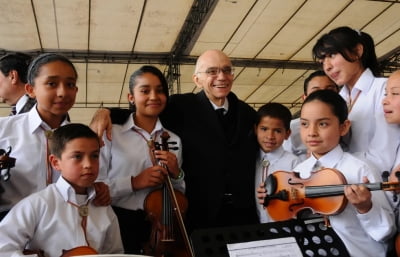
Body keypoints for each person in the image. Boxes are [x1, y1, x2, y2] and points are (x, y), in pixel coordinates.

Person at [91, 49, 259, 233]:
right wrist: (106, 112)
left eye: (227, 70)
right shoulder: (181, 106)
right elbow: (145, 109)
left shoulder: (248, 114)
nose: (221, 76)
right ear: (197, 80)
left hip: (243, 213)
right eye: (212, 71)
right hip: (198, 215)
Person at [257, 90, 395, 257]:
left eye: (322, 124)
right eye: (305, 124)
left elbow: (386, 233)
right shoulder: (299, 173)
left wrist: (365, 208)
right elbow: (292, 227)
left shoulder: (360, 169)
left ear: (344, 127)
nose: (312, 132)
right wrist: (273, 201)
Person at [0, 53, 109, 221]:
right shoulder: (4, 130)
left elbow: (93, 180)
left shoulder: (83, 139)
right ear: (31, 90)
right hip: (10, 231)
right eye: (52, 83)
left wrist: (99, 188)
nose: (62, 92)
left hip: (65, 229)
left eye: (70, 84)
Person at [0, 123, 124, 256]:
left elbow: (114, 253)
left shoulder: (104, 207)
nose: (88, 164)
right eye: (77, 156)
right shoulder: (37, 204)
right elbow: (4, 247)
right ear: (55, 162)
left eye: (94, 156)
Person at [98, 65, 185, 254]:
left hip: (162, 226)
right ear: (131, 97)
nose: (154, 97)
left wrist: (177, 173)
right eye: (145, 91)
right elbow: (97, 187)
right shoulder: (112, 134)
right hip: (119, 221)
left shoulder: (174, 139)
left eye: (160, 91)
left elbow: (179, 192)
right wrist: (134, 183)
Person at [312, 26, 400, 173]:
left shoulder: (384, 90)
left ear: (357, 51)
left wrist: (332, 162)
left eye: (332, 55)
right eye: (322, 60)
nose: (327, 66)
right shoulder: (340, 98)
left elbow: (383, 158)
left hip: (378, 186)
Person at [254, 102, 300, 223]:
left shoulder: (293, 163)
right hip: (254, 229)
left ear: (287, 134)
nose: (270, 136)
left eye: (277, 131)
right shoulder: (249, 160)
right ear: (255, 129)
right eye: (264, 129)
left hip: (284, 228)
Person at [283, 70, 338, 160]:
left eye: (329, 91)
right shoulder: (290, 130)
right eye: (316, 92)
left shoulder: (349, 125)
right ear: (305, 98)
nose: (323, 96)